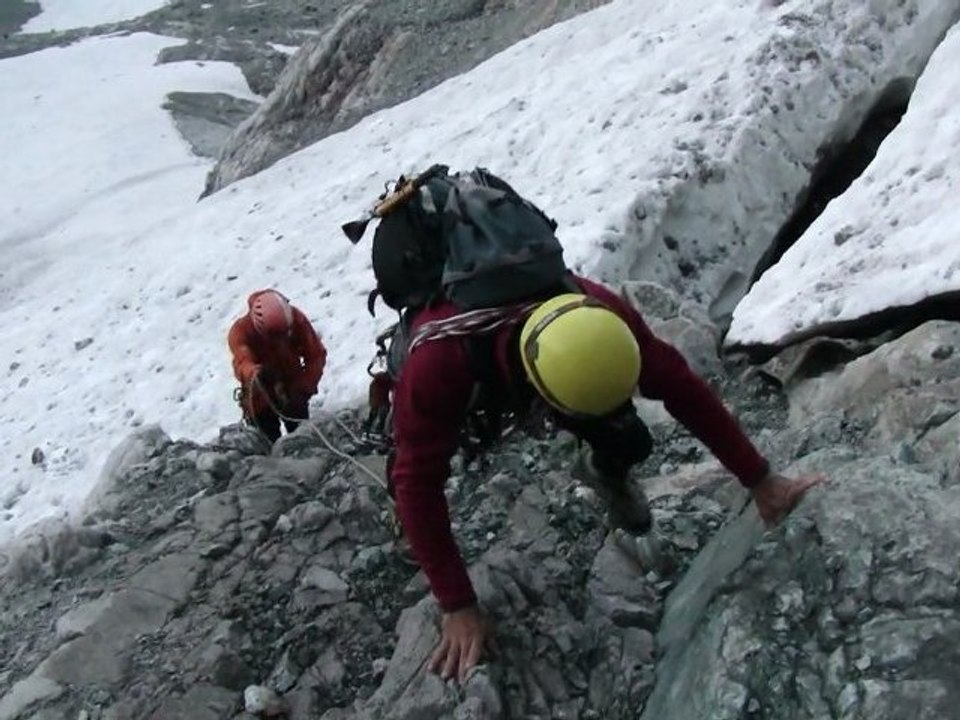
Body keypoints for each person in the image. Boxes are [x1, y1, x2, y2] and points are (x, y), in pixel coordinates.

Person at [389, 278, 824, 683]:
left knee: (628, 437)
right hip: (461, 361)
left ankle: (604, 469)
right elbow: (417, 482)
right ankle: (414, 538)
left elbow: (681, 387)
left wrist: (760, 479)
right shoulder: (436, 363)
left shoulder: (600, 311)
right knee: (414, 465)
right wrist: (457, 602)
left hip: (526, 358)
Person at [228, 289, 327, 442]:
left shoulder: (296, 319)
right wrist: (255, 373)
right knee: (268, 441)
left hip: (293, 387)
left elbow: (315, 355)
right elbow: (242, 362)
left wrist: (304, 387)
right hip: (260, 394)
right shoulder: (241, 332)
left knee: (303, 439)